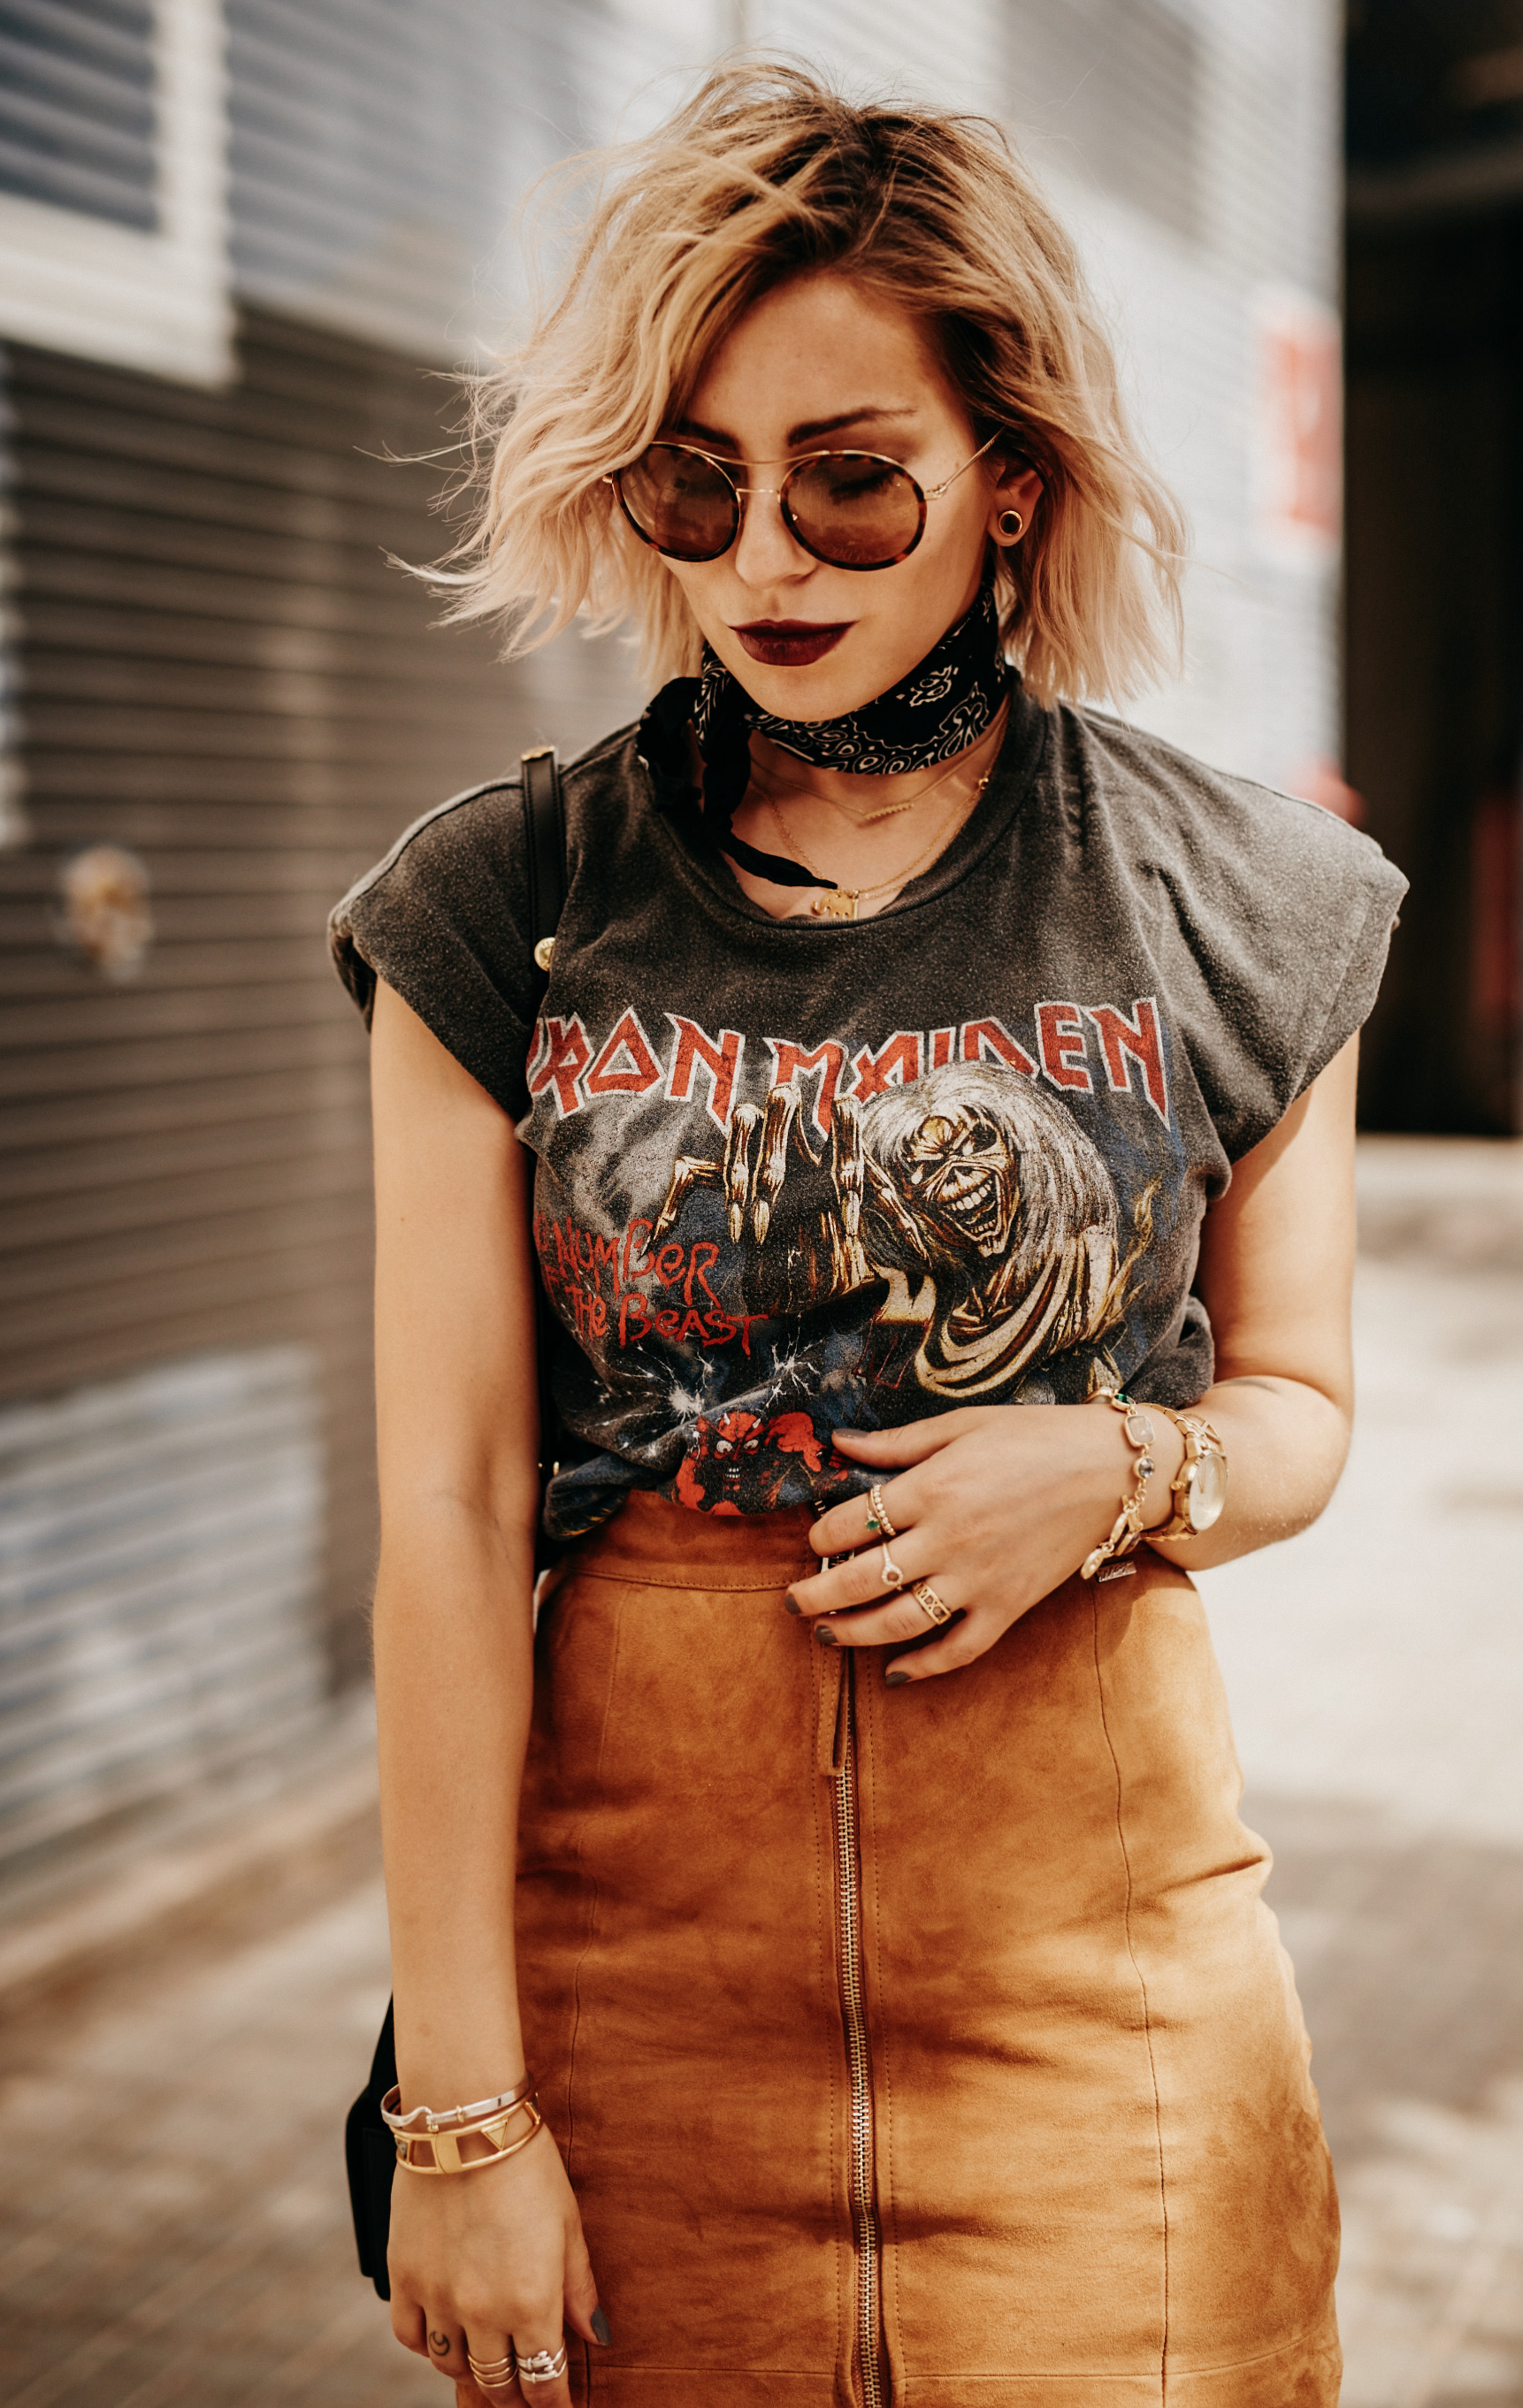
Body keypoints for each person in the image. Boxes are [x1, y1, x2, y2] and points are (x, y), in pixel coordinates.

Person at [331, 63, 1405, 2408]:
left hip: (1107, 2033)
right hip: (637, 2014)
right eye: (698, 488)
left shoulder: (1244, 902)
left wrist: (1123, 1469)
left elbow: (1305, 1403)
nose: (766, 564)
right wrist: (465, 2103)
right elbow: (445, 1510)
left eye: (849, 480)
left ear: (1010, 478)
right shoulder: (499, 906)